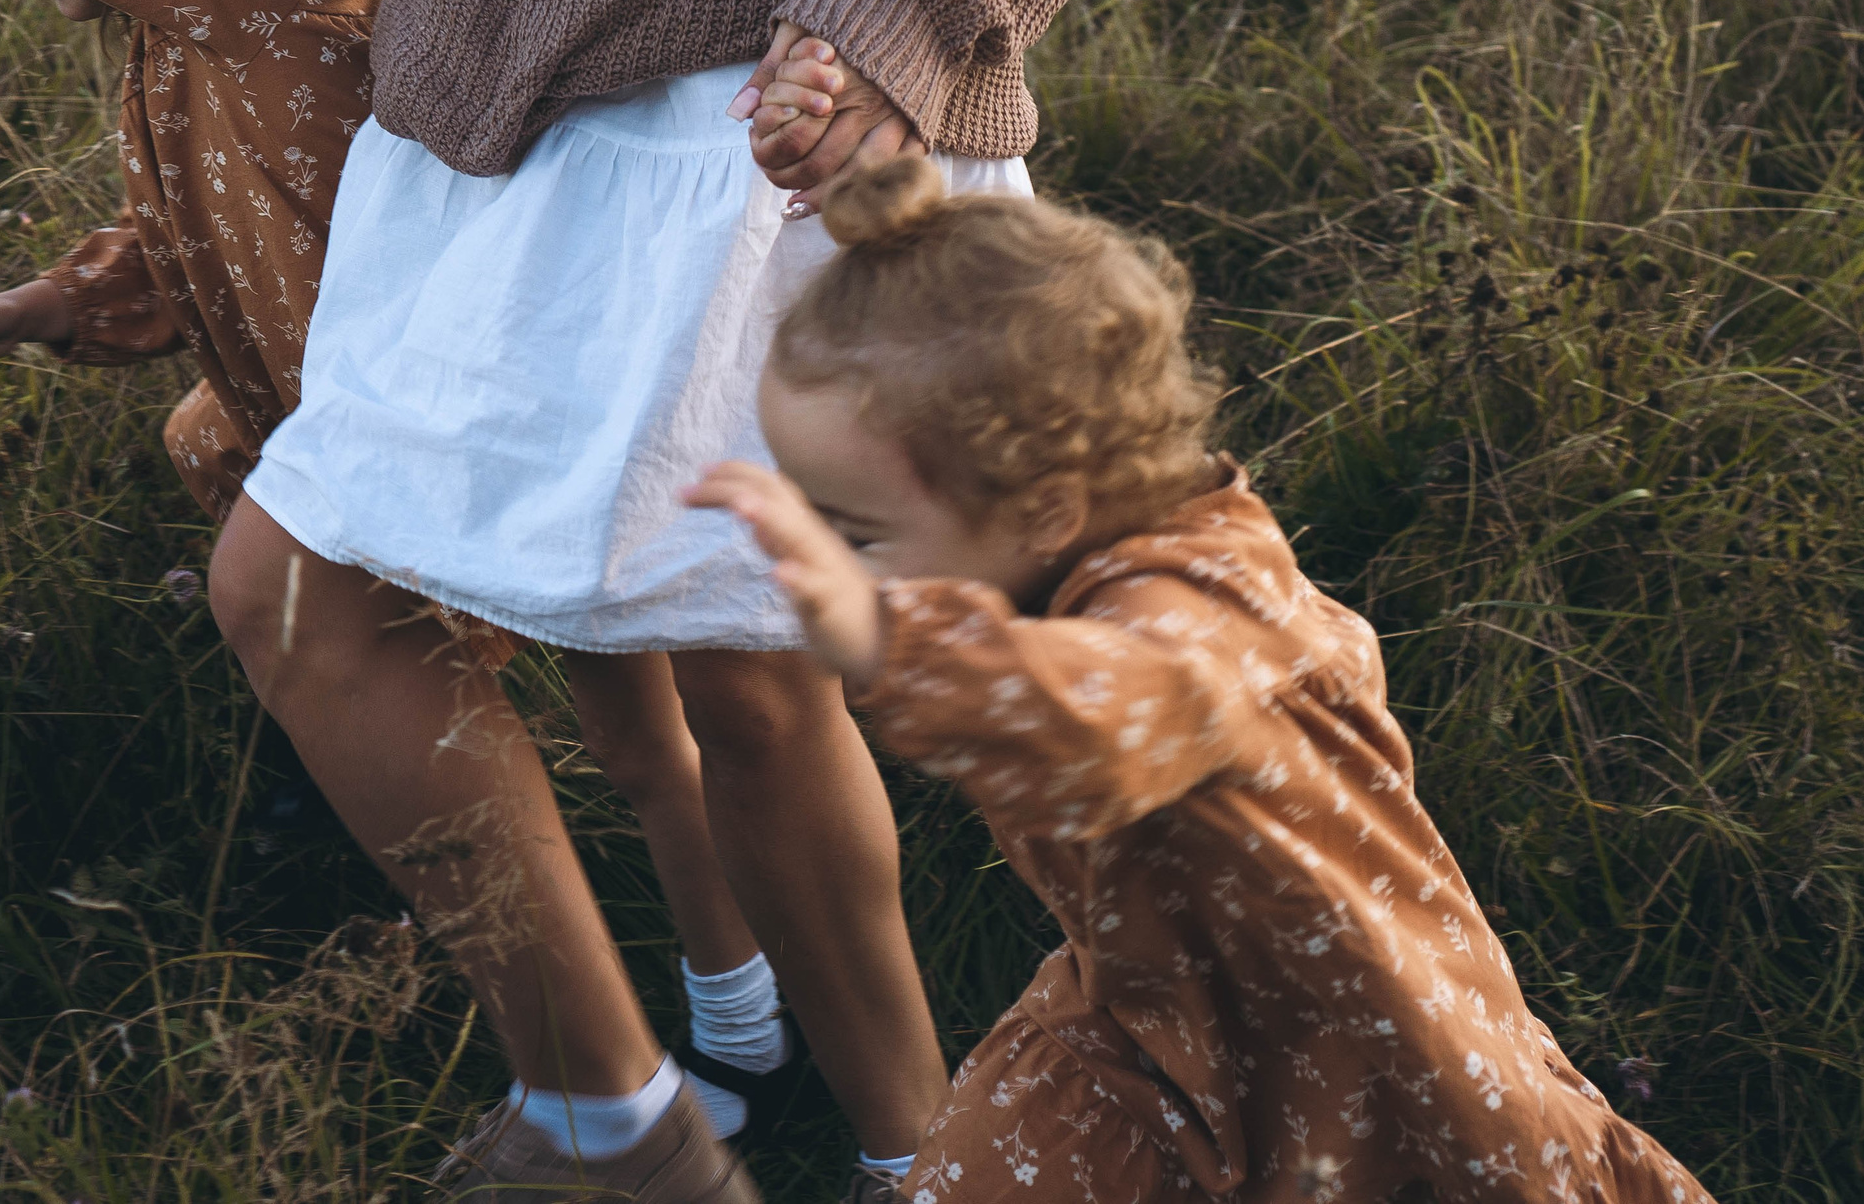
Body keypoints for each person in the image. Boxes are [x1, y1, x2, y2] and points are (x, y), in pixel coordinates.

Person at [0, 0, 1182, 1196]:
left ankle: (906, 1161)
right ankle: (620, 1118)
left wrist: (903, 15)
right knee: (298, 591)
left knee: (753, 685)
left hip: (764, 96)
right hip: (494, 93)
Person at [0, 0, 800, 1172]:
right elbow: (232, 222)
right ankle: (712, 1027)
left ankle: (723, 1035)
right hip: (411, 430)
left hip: (474, 429)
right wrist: (53, 305)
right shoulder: (212, 25)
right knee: (630, 728)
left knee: (645, 731)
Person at [689, 157, 1719, 1204]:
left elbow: (1110, 711)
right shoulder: (1108, 559)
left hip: (1345, 1047)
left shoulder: (1194, 619)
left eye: (858, 533)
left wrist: (883, 635)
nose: (828, 562)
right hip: (1158, 1010)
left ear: (1044, 511)